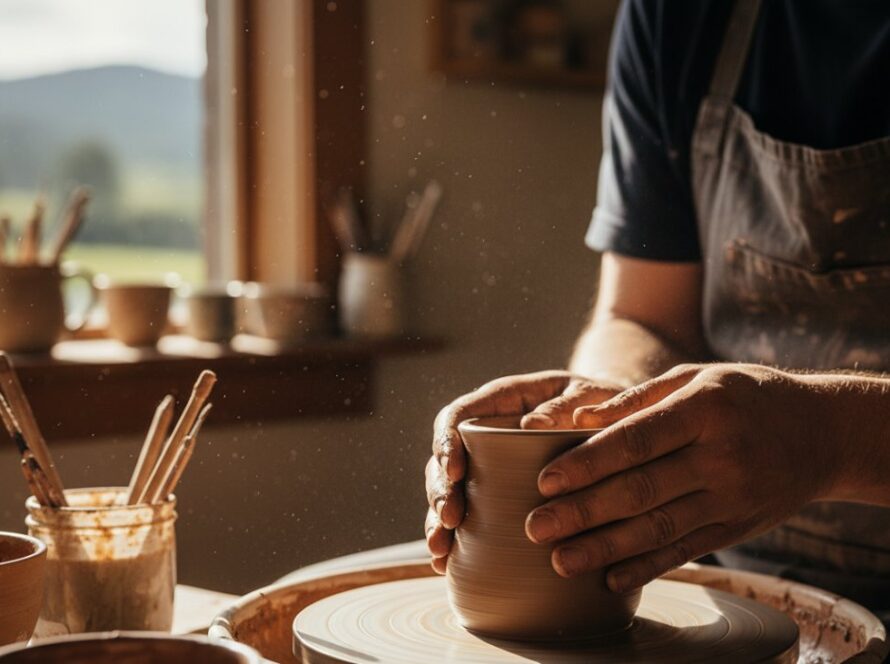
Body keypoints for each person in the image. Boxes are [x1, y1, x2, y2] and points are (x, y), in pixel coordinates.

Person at [425, 0, 890, 620]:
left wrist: (830, 437)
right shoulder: (680, 17)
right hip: (738, 582)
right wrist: (614, 408)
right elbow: (643, 317)